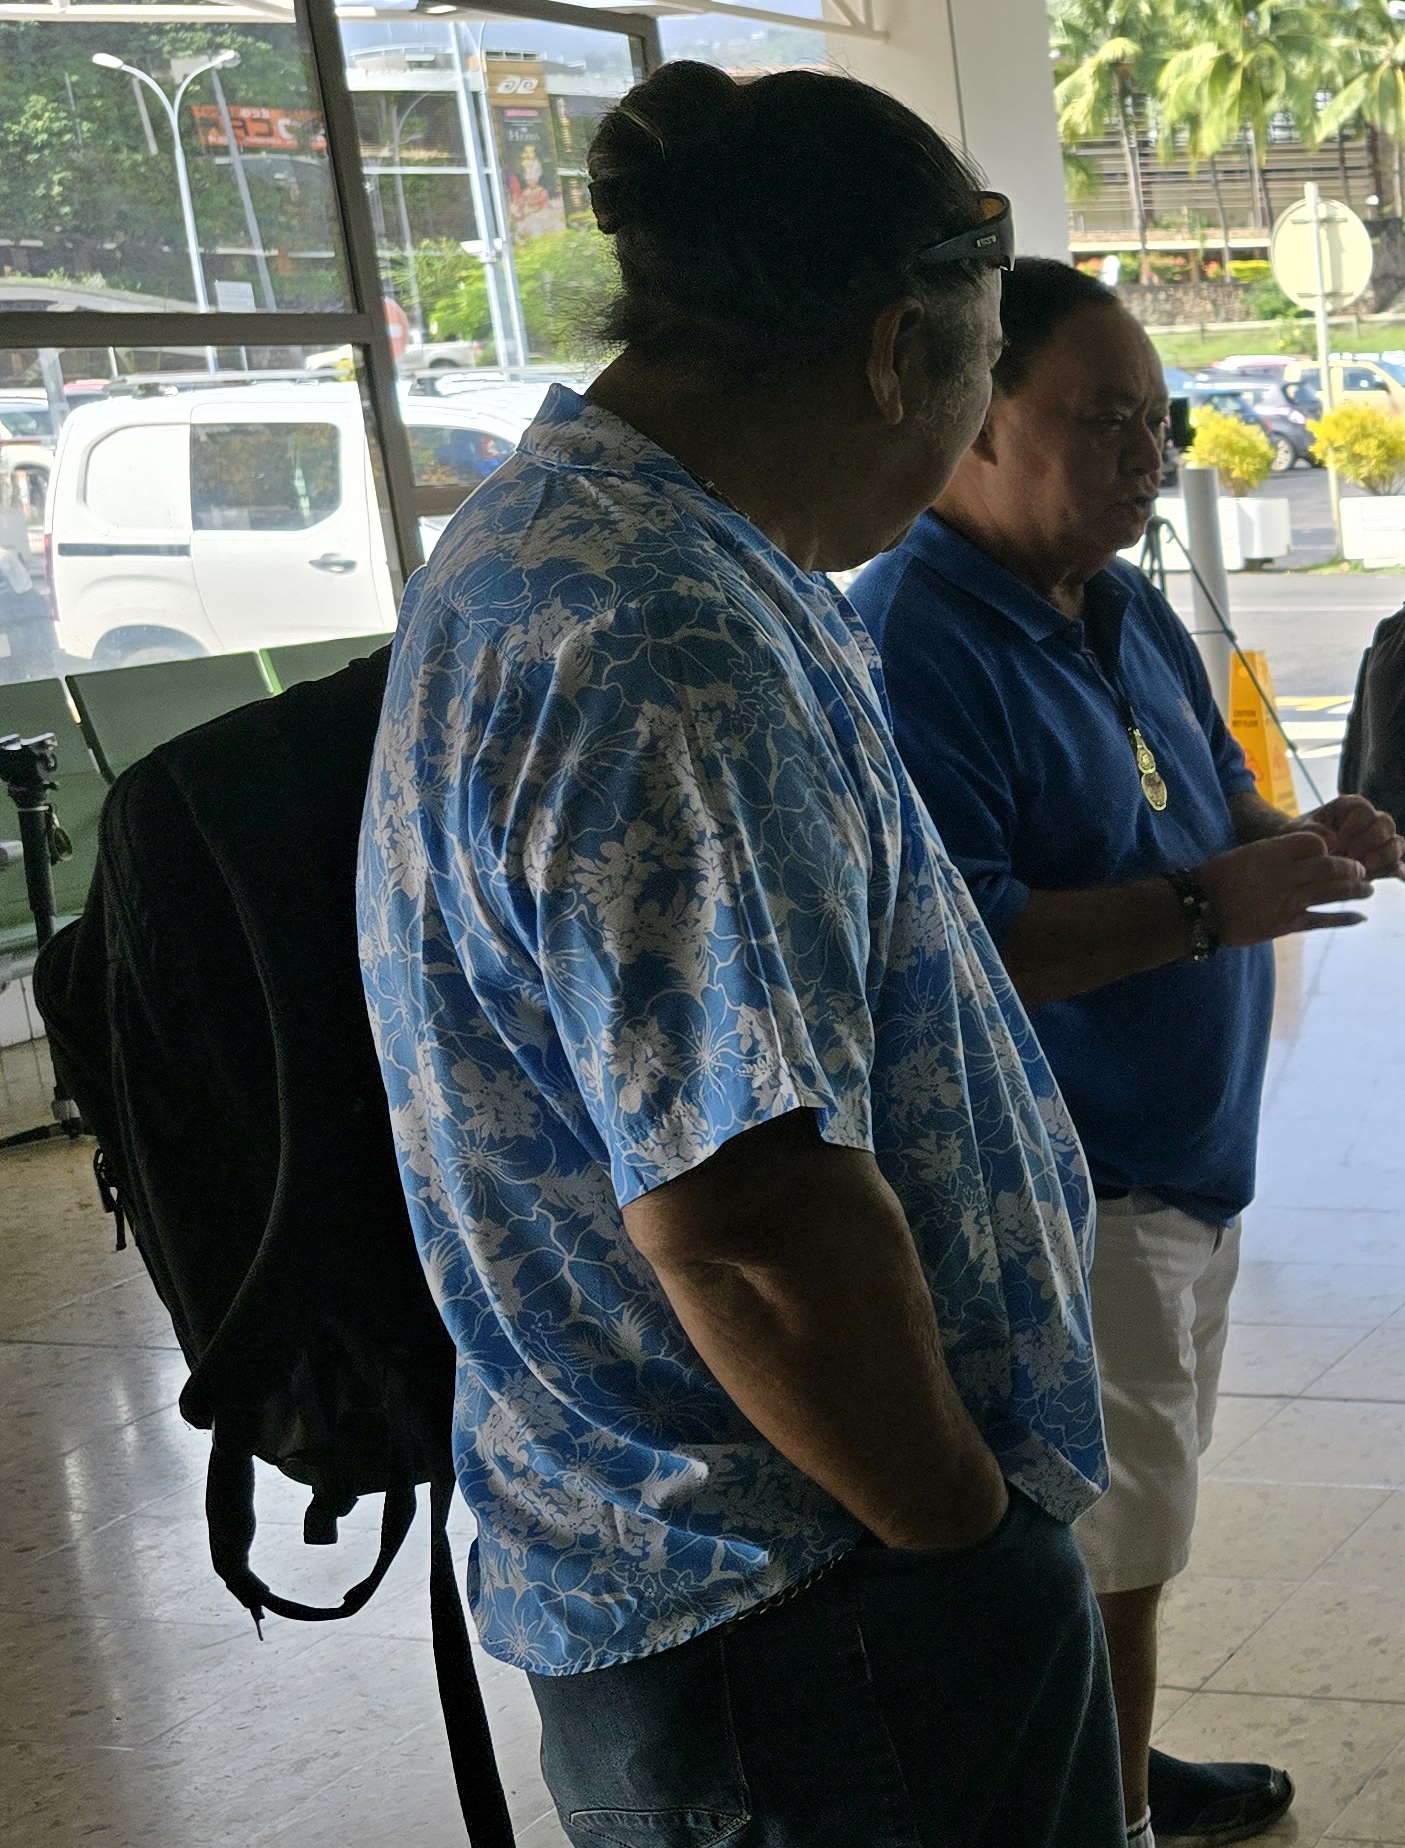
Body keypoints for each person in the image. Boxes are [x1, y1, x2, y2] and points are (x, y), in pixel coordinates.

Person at [359, 64, 1125, 1844]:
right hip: (807, 1622)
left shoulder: (603, 543)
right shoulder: (661, 631)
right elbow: (750, 1225)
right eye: (982, 358)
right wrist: (958, 1531)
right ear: (888, 352)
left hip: (758, 1589)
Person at [863, 259, 1397, 1848]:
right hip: (1061, 1188)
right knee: (1111, 1550)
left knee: (1133, 1530)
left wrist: (1298, 842)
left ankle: (1117, 1757)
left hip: (1181, 1163)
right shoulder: (913, 638)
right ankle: (1107, 1820)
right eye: (1104, 425)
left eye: (1159, 426)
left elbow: (1215, 794)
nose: (1148, 464)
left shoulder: (1114, 595)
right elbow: (958, 941)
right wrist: (1202, 907)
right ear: (972, 423)